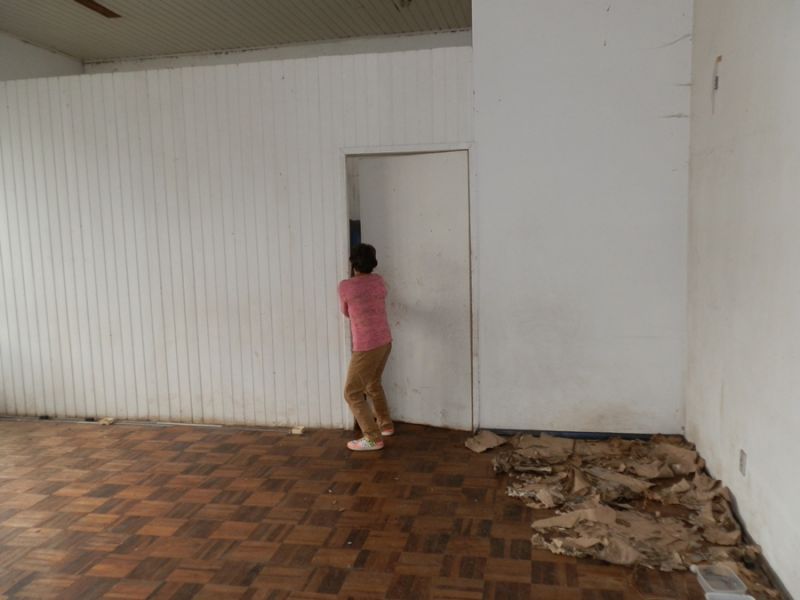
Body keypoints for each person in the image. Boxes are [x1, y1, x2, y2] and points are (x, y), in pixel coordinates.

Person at [338, 243, 394, 451]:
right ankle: (385, 425)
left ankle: (372, 437)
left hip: (366, 345)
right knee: (372, 383)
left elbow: (346, 312)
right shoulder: (379, 281)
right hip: (385, 341)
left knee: (351, 392)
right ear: (373, 263)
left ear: (353, 263)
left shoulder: (346, 286)